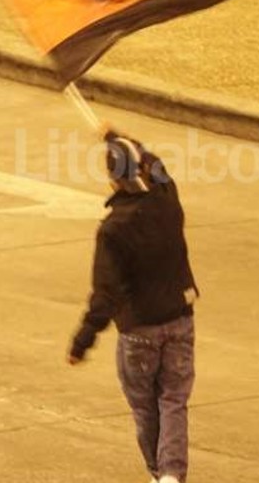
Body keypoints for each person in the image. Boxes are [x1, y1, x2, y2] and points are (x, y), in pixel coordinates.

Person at [69, 129, 200, 483]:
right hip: (179, 318)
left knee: (145, 407)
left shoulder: (113, 229)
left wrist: (83, 341)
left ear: (113, 179)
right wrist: (118, 137)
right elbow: (157, 164)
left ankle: (159, 473)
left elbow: (105, 294)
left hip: (139, 329)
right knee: (173, 400)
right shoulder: (167, 199)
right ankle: (172, 473)